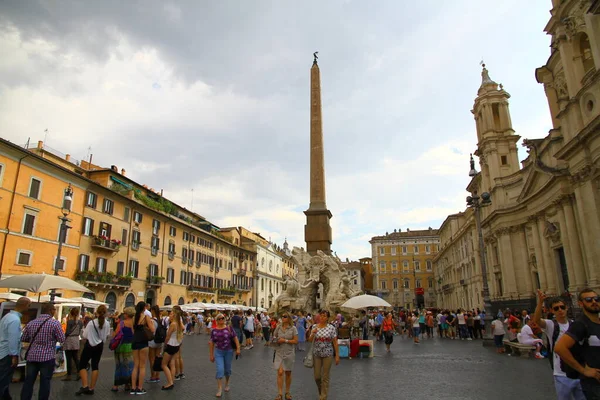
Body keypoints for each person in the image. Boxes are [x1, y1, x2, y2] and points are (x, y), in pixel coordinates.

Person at [533, 290, 585, 400]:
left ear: (566, 308)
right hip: (561, 373)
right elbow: (536, 320)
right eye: (556, 308)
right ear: (552, 311)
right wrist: (540, 302)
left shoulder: (575, 325)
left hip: (579, 370)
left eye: (562, 307)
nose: (560, 310)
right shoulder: (551, 325)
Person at [555, 288, 600, 399]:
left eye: (596, 299)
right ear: (580, 303)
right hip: (594, 383)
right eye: (588, 300)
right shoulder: (580, 324)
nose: (594, 302)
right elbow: (560, 348)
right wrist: (583, 370)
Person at [20, 302, 65, 400]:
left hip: (32, 356)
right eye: (54, 310)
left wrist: (35, 340)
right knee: (45, 382)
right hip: (47, 357)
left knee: (29, 381)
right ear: (50, 310)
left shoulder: (32, 322)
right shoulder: (55, 323)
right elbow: (62, 339)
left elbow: (24, 337)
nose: (55, 312)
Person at [0, 297, 31, 400]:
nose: (29, 308)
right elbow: (13, 339)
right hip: (6, 354)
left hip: (3, 352)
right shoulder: (14, 319)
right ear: (25, 305)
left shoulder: (7, 316)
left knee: (4, 381)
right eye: (29, 305)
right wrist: (14, 355)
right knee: (3, 380)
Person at [75, 305, 110, 395]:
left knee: (82, 365)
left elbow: (85, 335)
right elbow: (106, 336)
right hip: (100, 346)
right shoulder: (107, 323)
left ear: (97, 312)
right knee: (95, 366)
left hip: (89, 345)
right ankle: (92, 388)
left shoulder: (91, 323)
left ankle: (85, 385)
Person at [307, 309, 339, 400]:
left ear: (327, 318)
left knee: (325, 376)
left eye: (324, 316)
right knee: (317, 376)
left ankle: (323, 397)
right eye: (321, 315)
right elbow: (309, 340)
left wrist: (337, 355)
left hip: (328, 354)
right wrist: (312, 334)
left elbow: (335, 342)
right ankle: (321, 391)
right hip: (316, 354)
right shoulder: (314, 327)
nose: (322, 317)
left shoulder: (331, 328)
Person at [209, 313, 241, 398]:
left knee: (227, 370)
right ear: (217, 320)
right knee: (220, 369)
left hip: (229, 351)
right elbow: (211, 343)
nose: (221, 320)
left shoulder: (229, 328)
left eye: (222, 318)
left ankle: (226, 383)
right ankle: (219, 388)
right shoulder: (214, 330)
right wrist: (211, 355)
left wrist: (238, 348)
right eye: (219, 319)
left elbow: (235, 338)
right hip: (219, 352)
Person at [131, 301, 155, 395]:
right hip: (143, 343)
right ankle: (140, 388)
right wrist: (150, 325)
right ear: (144, 308)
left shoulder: (133, 318)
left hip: (135, 342)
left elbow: (133, 331)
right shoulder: (146, 317)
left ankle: (133, 388)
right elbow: (153, 330)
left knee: (135, 365)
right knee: (142, 366)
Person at [273, 312, 298, 400]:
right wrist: (276, 340)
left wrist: (285, 340)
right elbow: (274, 337)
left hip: (289, 353)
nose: (283, 317)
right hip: (279, 352)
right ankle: (280, 394)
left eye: (285, 316)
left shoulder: (293, 328)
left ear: (289, 318)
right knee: (280, 372)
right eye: (282, 316)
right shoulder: (278, 327)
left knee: (288, 373)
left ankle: (287, 392)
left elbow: (295, 341)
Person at [160, 308, 185, 390]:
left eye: (170, 314)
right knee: (172, 363)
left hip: (170, 344)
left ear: (174, 315)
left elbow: (168, 336)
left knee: (164, 364)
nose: (169, 315)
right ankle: (172, 380)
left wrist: (164, 346)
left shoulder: (173, 324)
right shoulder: (179, 323)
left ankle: (170, 382)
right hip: (176, 344)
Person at [112, 306, 134, 392]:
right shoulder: (133, 323)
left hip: (121, 346)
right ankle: (127, 384)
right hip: (130, 346)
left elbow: (115, 335)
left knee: (119, 365)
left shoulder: (122, 323)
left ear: (127, 314)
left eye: (124, 313)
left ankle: (116, 385)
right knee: (128, 365)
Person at [62, 307, 83, 381]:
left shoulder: (70, 321)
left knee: (69, 358)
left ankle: (69, 375)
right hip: (76, 339)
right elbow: (80, 330)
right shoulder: (80, 322)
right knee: (75, 357)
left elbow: (67, 332)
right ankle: (79, 372)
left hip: (69, 340)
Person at [146, 305, 162, 384]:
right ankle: (157, 376)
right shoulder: (160, 320)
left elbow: (151, 331)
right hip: (159, 341)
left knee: (152, 359)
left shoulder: (151, 320)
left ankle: (153, 376)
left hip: (152, 341)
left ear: (152, 311)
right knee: (158, 359)